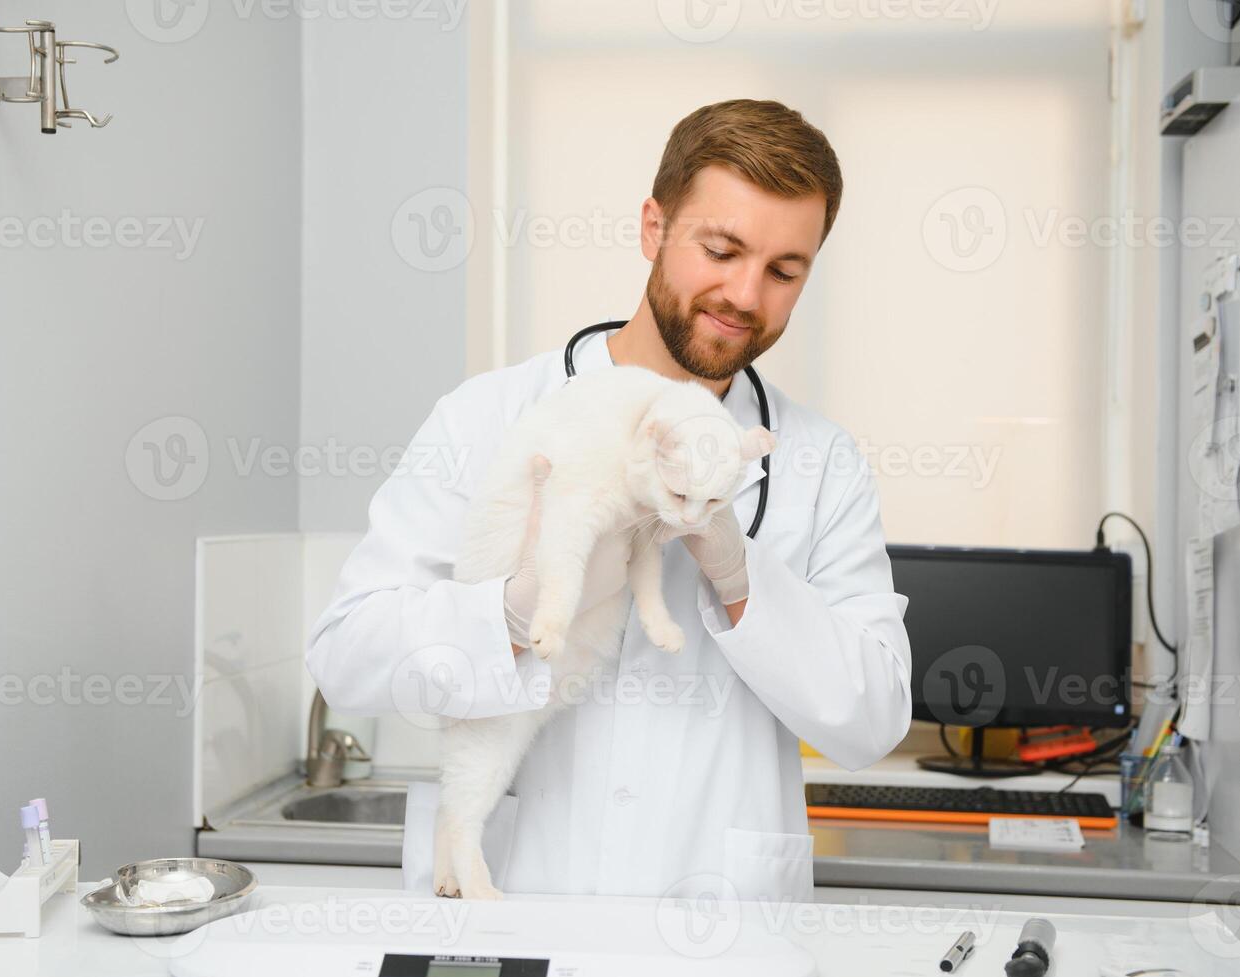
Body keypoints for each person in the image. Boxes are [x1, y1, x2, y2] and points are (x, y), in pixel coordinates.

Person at [306, 99, 911, 902]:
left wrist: (739, 580)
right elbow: (349, 659)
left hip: (718, 919)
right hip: (518, 900)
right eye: (721, 249)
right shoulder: (491, 416)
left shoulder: (820, 461)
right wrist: (512, 615)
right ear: (653, 228)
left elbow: (870, 723)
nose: (743, 294)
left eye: (783, 270)